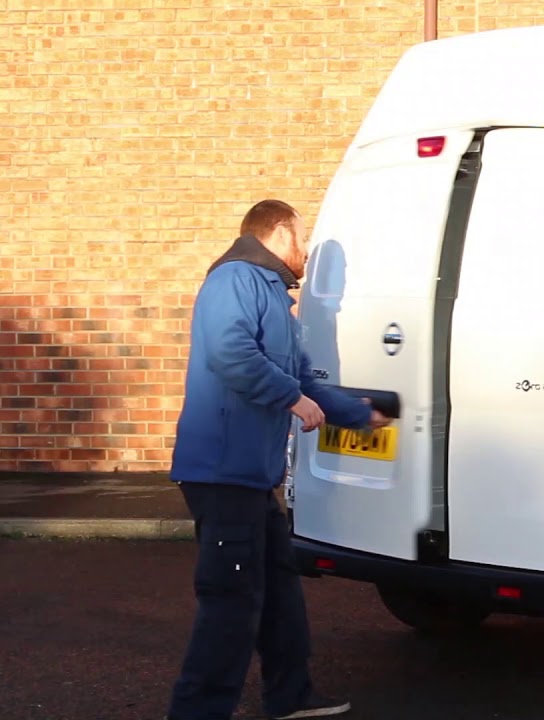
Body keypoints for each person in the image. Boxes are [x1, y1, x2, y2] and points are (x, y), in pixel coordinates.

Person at [165, 199, 390, 720]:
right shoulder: (234, 280)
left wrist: (361, 416)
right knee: (231, 601)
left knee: (279, 590)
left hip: (250, 476)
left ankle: (289, 697)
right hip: (221, 474)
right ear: (280, 231)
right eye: (303, 236)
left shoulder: (273, 298)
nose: (307, 251)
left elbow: (305, 381)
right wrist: (291, 398)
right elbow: (231, 353)